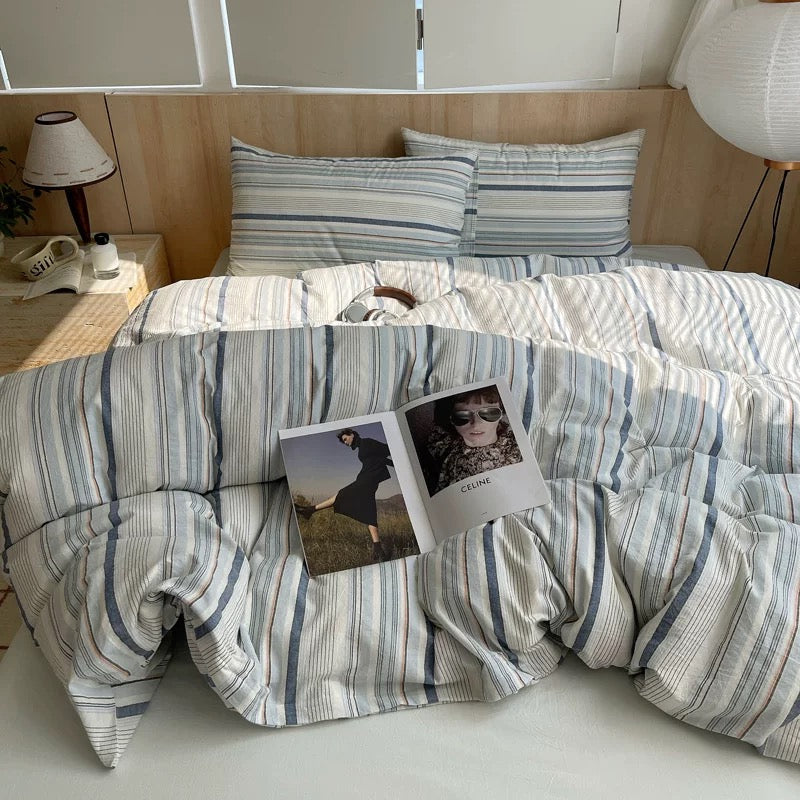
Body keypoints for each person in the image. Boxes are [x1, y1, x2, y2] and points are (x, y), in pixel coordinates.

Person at [294, 428, 394, 563]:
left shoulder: (367, 443)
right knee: (370, 512)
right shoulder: (362, 447)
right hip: (368, 481)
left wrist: (398, 463)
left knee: (342, 494)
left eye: (345, 439)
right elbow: (382, 458)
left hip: (366, 481)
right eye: (343, 442)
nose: (345, 443)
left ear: (352, 434)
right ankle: (378, 550)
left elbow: (388, 450)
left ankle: (310, 510)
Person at [426, 386, 523, 494]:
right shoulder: (441, 443)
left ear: (501, 413)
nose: (476, 424)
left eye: (489, 413)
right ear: (450, 418)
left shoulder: (520, 447)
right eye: (462, 416)